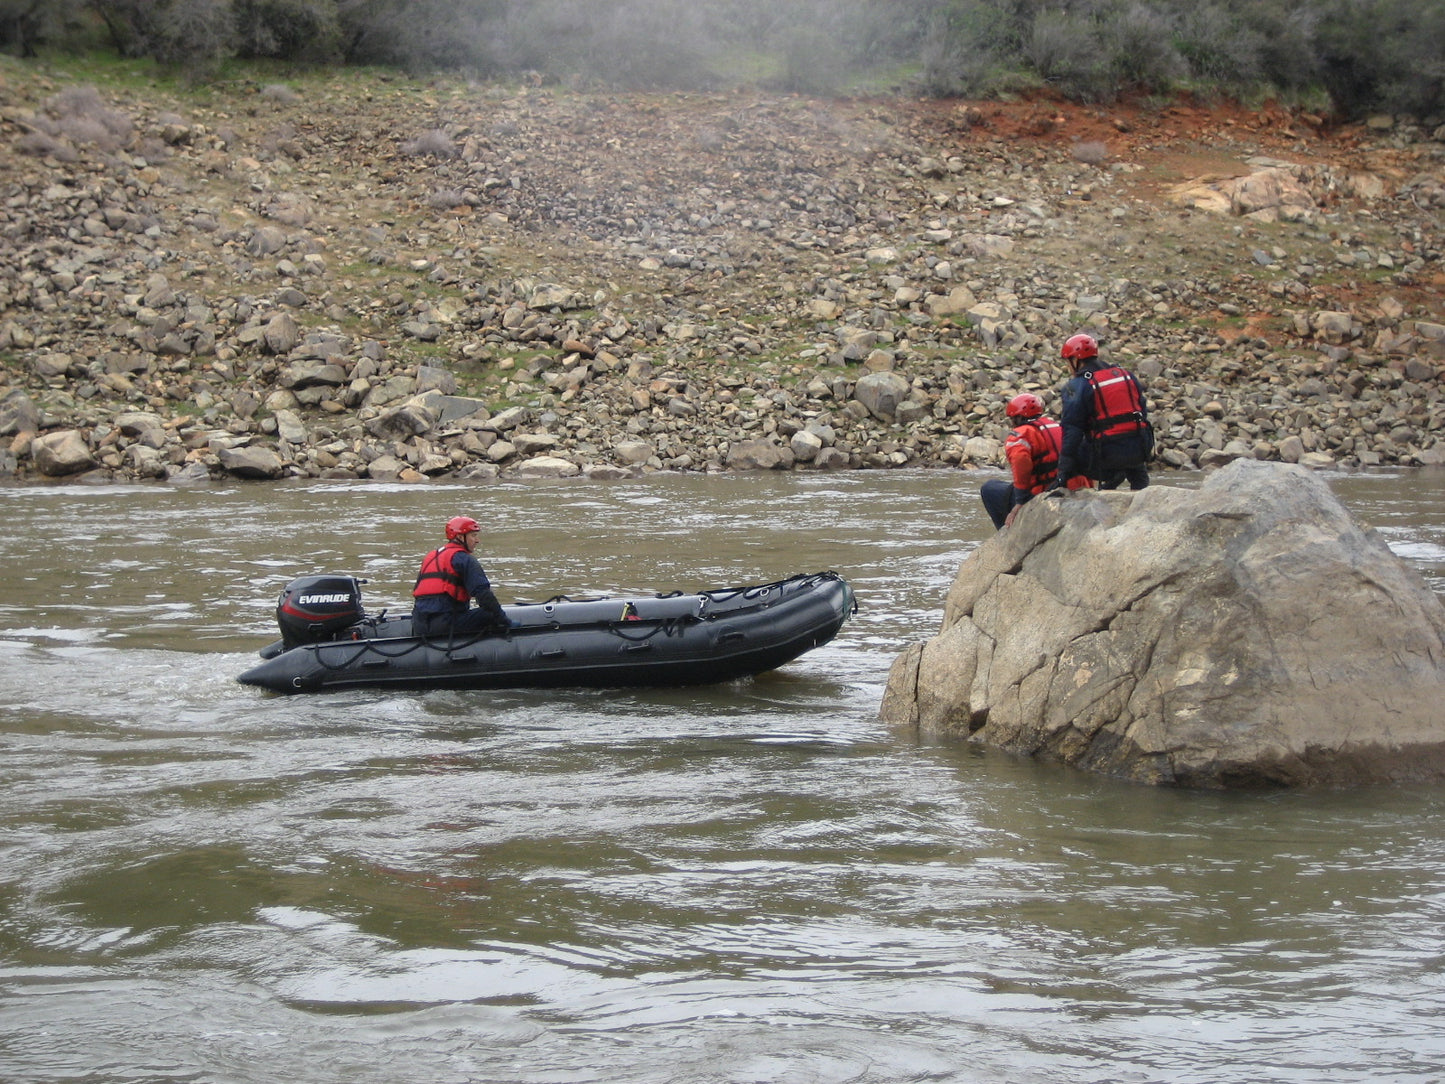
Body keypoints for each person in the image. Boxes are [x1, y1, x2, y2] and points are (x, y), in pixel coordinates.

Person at [1051, 333, 1153, 492]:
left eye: (1068, 362)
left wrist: (1063, 471)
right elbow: (1142, 411)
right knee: (1130, 444)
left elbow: (1072, 431)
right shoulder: (1124, 374)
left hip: (1107, 456)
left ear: (1076, 360)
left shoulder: (1077, 385)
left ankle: (1077, 489)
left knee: (1067, 453)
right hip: (1140, 449)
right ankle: (1139, 488)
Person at [980, 393, 1091, 529]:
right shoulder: (1058, 427)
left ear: (1018, 418)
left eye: (1012, 419)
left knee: (990, 488)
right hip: (1076, 488)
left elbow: (1021, 462)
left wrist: (1020, 502)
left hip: (1045, 493)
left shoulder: (1020, 435)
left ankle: (1006, 533)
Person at [411, 515, 511, 637]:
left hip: (420, 625)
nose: (477, 540)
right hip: (446, 624)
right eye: (473, 536)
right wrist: (505, 621)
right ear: (460, 537)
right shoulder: (464, 559)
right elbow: (484, 596)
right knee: (490, 614)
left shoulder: (430, 557)